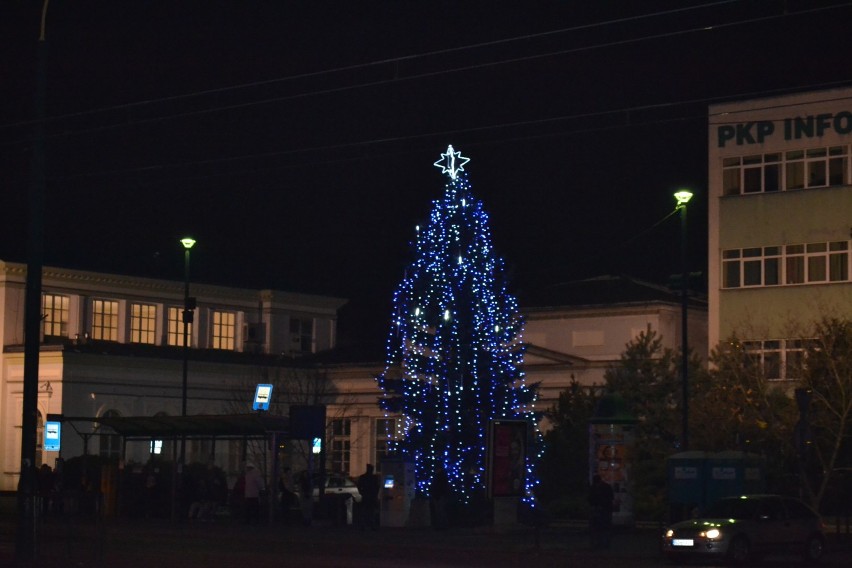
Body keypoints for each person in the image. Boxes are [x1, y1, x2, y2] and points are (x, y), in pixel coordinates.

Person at [588, 474, 614, 549]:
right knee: (603, 528)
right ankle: (602, 544)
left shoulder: (594, 488)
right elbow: (610, 498)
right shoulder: (606, 487)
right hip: (603, 509)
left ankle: (600, 543)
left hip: (601, 509)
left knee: (600, 528)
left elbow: (590, 498)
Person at [357, 463, 380, 530]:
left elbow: (359, 486)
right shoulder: (373, 478)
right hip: (370, 496)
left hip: (367, 496)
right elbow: (377, 487)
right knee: (370, 511)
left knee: (366, 511)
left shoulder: (363, 477)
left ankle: (364, 525)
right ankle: (370, 525)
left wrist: (361, 492)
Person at [429, 464, 449, 530]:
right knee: (440, 511)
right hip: (438, 495)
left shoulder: (440, 477)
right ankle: (441, 525)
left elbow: (440, 487)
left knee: (440, 511)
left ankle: (442, 525)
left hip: (439, 495)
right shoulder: (440, 476)